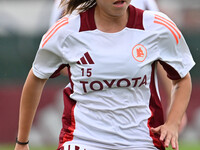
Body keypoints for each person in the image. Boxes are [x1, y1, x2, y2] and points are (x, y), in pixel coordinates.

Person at [14, 0, 195, 150]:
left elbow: (182, 79)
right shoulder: (66, 30)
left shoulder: (157, 25)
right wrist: (22, 142)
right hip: (82, 142)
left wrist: (173, 122)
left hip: (142, 142)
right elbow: (36, 78)